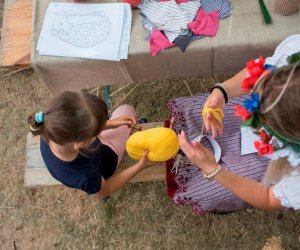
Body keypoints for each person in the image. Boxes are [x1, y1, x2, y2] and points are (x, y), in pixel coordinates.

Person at [167, 34, 300, 214]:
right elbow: (258, 72)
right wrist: (223, 92)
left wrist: (213, 170)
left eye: (261, 119)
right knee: (197, 112)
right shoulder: (295, 51)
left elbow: (268, 198)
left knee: (215, 188)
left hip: (277, 163)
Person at [28, 91, 153, 196]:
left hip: (92, 149)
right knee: (127, 109)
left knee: (123, 112)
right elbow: (107, 189)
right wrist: (141, 165)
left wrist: (112, 123)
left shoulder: (51, 129)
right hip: (106, 161)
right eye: (95, 131)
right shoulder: (84, 175)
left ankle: (93, 125)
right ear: (80, 143)